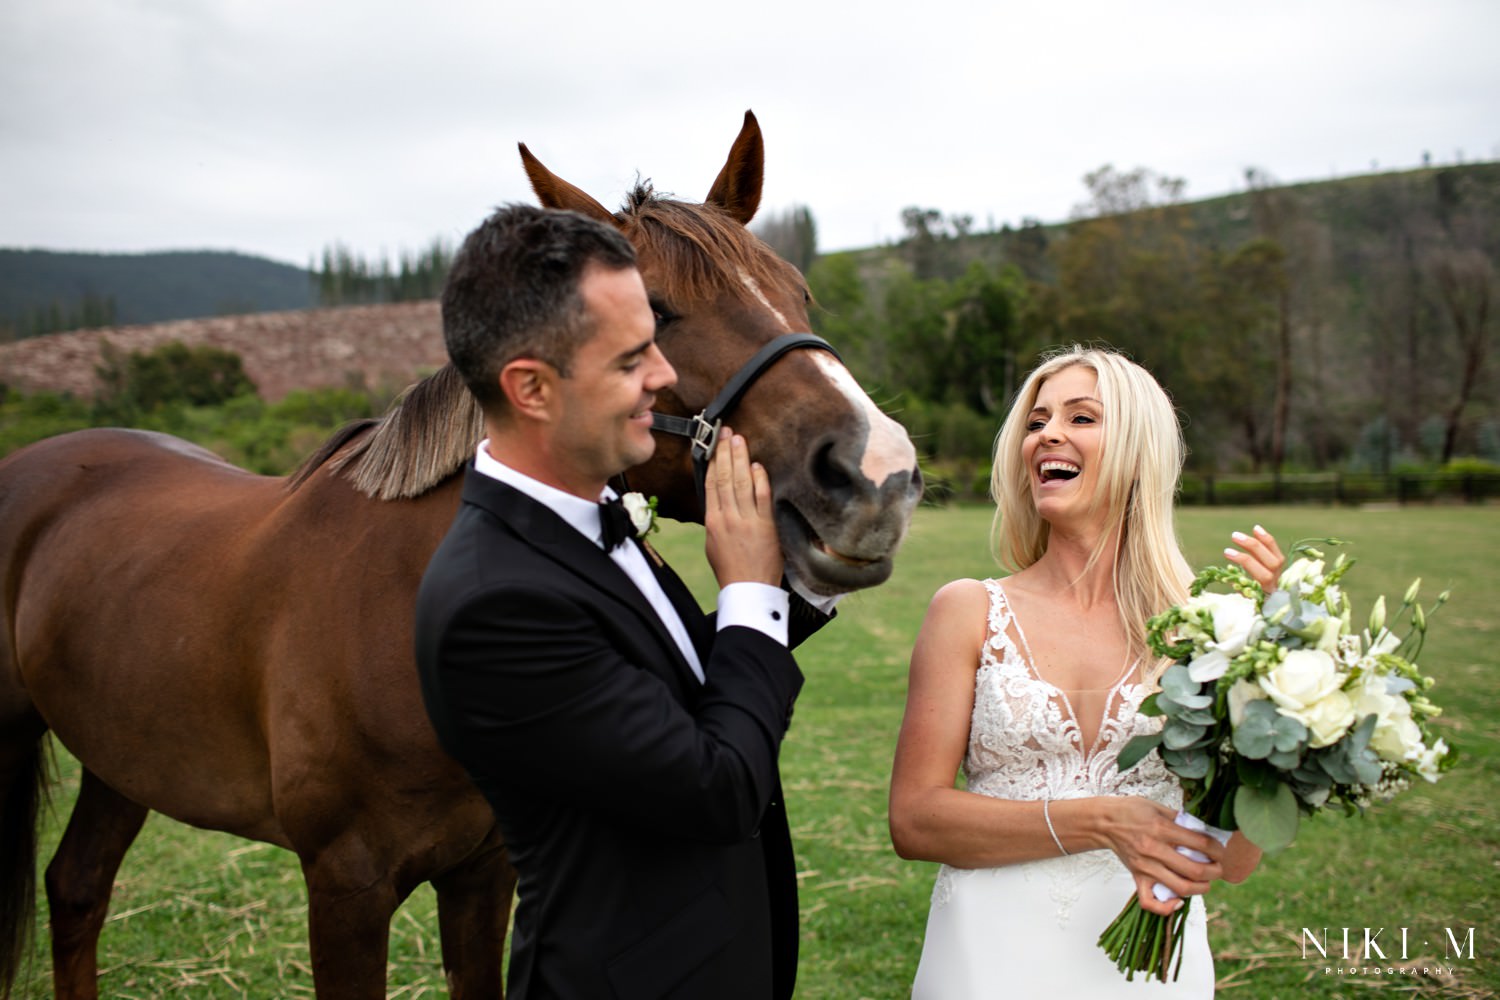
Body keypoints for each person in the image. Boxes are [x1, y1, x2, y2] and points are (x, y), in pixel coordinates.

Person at [414, 204, 833, 1000]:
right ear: (532, 389)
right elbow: (717, 788)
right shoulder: (493, 603)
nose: (666, 375)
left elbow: (664, 701)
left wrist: (803, 583)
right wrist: (745, 591)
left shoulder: (585, 525)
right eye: (631, 358)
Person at [888, 345, 1283, 996]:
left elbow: (1233, 861)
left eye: (1081, 418)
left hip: (1151, 971)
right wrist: (1100, 820)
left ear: (1136, 449)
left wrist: (1269, 671)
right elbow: (914, 820)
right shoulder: (967, 611)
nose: (1047, 435)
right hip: (988, 959)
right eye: (1037, 421)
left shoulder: (1206, 630)